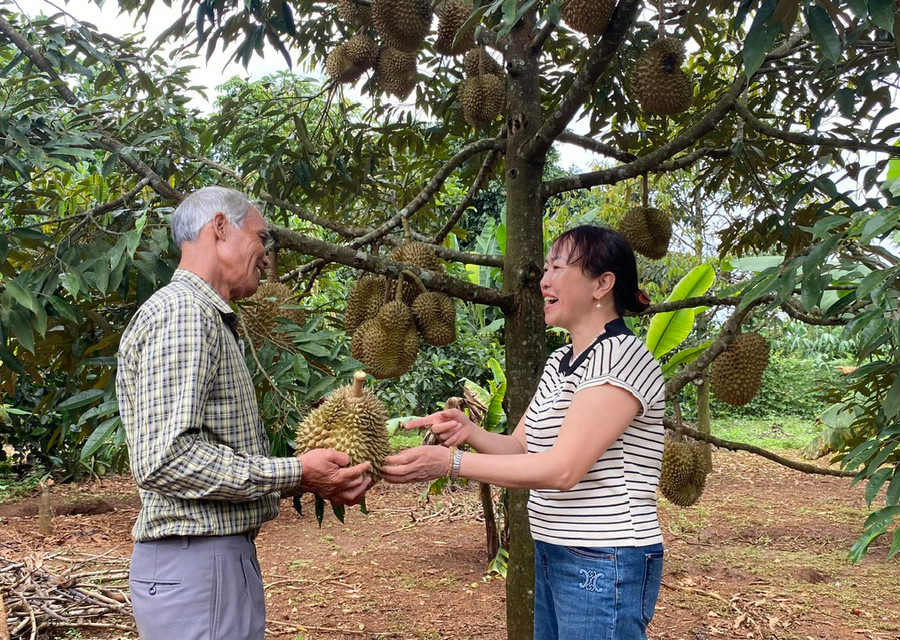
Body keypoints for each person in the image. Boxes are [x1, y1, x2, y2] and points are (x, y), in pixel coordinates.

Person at [382, 225, 666, 640]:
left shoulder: (621, 357)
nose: (544, 280)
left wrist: (451, 463)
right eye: (545, 269)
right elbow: (520, 446)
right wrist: (468, 431)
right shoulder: (560, 361)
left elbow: (563, 470)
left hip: (606, 557)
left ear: (602, 284)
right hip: (554, 549)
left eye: (557, 268)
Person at [116, 186, 371, 640]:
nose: (267, 259)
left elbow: (199, 449)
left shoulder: (206, 316)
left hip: (211, 563)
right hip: (198, 565)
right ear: (219, 227)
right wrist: (297, 472)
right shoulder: (185, 314)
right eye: (260, 238)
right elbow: (167, 459)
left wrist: (306, 474)